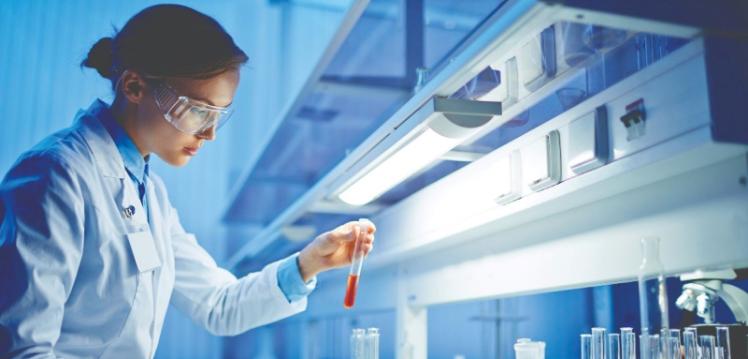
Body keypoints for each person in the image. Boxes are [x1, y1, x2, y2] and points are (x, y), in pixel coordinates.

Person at [0, 4, 375, 358]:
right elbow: (22, 348)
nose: (210, 133)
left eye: (218, 114)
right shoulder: (55, 174)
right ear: (133, 87)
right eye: (197, 110)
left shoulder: (150, 195)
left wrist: (309, 262)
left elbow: (219, 305)